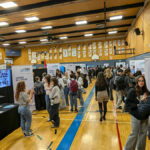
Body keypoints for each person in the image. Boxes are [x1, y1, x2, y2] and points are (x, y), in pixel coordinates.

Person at [124, 75, 150, 150]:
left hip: (145, 116)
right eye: (139, 80)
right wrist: (138, 103)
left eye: (142, 81)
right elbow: (127, 104)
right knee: (134, 134)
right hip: (136, 116)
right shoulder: (132, 91)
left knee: (143, 134)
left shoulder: (147, 92)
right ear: (136, 82)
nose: (141, 82)